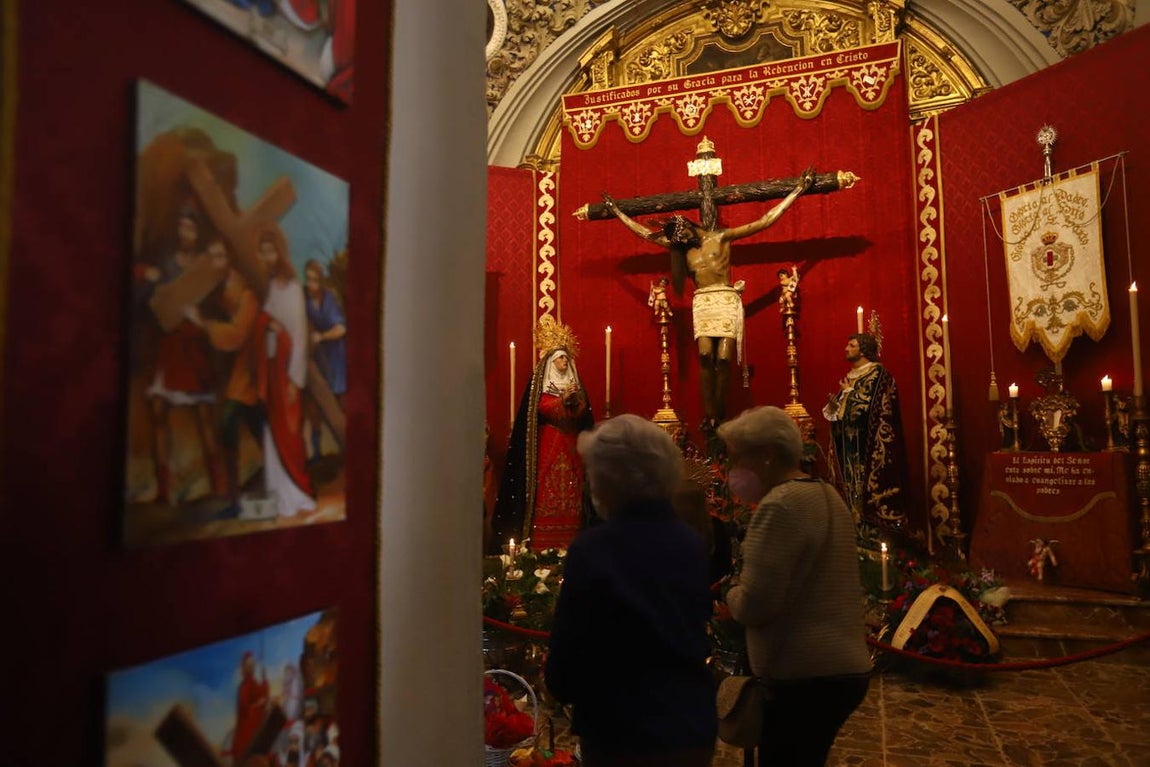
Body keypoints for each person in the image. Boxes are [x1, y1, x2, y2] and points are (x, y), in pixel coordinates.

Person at [545, 415, 717, 767]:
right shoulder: (689, 541)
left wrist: (560, 686)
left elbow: (568, 654)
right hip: (690, 724)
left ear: (611, 479)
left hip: (620, 731)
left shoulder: (594, 549)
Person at [600, 167, 815, 433]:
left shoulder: (721, 237)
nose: (684, 241)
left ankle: (720, 414)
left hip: (724, 298)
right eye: (679, 241)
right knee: (704, 356)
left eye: (685, 235)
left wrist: (796, 191)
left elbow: (764, 221)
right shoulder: (683, 249)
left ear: (689, 225)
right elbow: (645, 233)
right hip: (703, 302)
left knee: (723, 358)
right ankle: (710, 416)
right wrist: (619, 213)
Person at [717, 406, 871, 766]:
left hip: (803, 674)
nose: (732, 469)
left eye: (738, 457)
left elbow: (756, 603)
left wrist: (729, 593)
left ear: (767, 455)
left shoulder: (780, 505)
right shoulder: (827, 495)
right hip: (842, 667)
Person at [491, 317, 594, 552]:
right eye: (559, 359)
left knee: (574, 488)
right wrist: (562, 402)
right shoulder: (542, 384)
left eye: (566, 359)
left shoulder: (575, 385)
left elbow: (583, 414)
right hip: (549, 444)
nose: (563, 363)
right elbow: (542, 408)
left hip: (571, 445)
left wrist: (574, 402)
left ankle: (572, 542)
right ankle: (542, 546)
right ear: (550, 362)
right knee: (545, 488)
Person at [821, 332, 907, 542]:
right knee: (850, 493)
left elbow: (871, 408)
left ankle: (871, 536)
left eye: (851, 345)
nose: (846, 348)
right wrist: (836, 404)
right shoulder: (851, 377)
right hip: (849, 448)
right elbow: (843, 413)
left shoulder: (877, 375)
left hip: (868, 449)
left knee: (865, 492)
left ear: (863, 349)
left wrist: (849, 395)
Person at [257, 225, 316, 518]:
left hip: (287, 373)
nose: (266, 257)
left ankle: (297, 495)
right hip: (272, 369)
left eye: (269, 251)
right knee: (273, 430)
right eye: (263, 251)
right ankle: (277, 495)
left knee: (290, 434)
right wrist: (269, 325)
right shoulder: (272, 287)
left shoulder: (293, 289)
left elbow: (300, 335)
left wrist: (295, 378)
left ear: (279, 253)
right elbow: (266, 319)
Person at [303, 258, 347, 462]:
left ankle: (346, 448)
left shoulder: (329, 299)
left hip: (334, 356)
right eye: (308, 280)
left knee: (338, 401)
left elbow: (341, 328)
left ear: (320, 282)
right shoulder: (304, 299)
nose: (311, 284)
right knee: (315, 403)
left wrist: (322, 336)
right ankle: (317, 451)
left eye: (314, 280)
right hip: (316, 358)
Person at [233, 651, 270, 763]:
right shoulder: (244, 686)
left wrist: (264, 679)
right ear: (245, 667)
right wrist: (259, 704)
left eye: (253, 665)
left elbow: (262, 694)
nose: (252, 667)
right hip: (247, 731)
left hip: (256, 728)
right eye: (249, 665)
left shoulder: (254, 683)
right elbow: (245, 707)